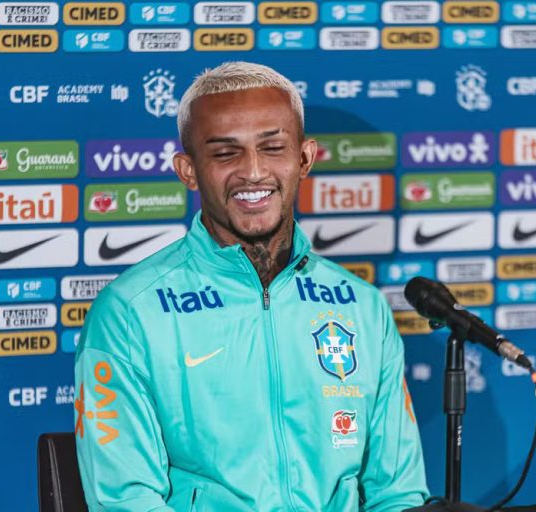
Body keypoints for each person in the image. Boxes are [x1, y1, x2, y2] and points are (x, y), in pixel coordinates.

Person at [74, 61, 429, 511]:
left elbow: (398, 494)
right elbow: (124, 502)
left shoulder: (361, 307)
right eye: (225, 154)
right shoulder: (130, 312)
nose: (253, 172)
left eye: (273, 148)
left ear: (304, 158)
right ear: (188, 170)